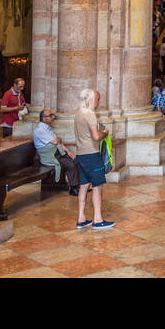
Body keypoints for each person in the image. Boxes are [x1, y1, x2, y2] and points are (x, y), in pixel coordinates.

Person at [74, 88, 114, 230]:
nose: (98, 101)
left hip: (80, 154)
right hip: (91, 154)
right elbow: (96, 137)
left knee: (84, 185)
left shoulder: (78, 112)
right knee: (97, 186)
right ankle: (98, 219)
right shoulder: (90, 114)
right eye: (97, 98)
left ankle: (81, 218)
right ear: (90, 99)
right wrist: (105, 132)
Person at [33, 109, 80, 194]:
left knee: (77, 160)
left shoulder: (47, 129)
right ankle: (74, 189)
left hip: (56, 154)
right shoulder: (39, 130)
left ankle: (79, 186)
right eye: (51, 115)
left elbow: (58, 142)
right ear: (44, 118)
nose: (53, 117)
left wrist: (69, 152)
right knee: (70, 165)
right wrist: (58, 140)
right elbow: (55, 141)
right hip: (49, 157)